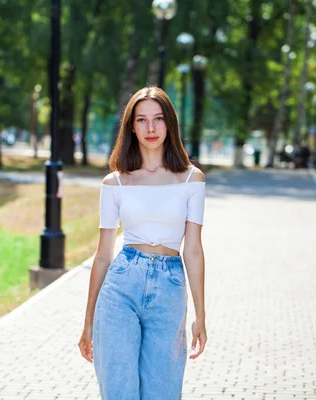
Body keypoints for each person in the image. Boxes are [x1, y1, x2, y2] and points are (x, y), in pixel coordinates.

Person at [78, 86, 207, 399]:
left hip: (170, 288)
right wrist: (88, 322)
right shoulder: (115, 182)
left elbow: (192, 249)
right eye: (142, 120)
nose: (151, 128)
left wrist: (200, 315)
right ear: (131, 127)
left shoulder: (192, 179)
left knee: (162, 392)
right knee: (119, 392)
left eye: (158, 119)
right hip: (121, 286)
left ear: (169, 124)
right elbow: (103, 256)